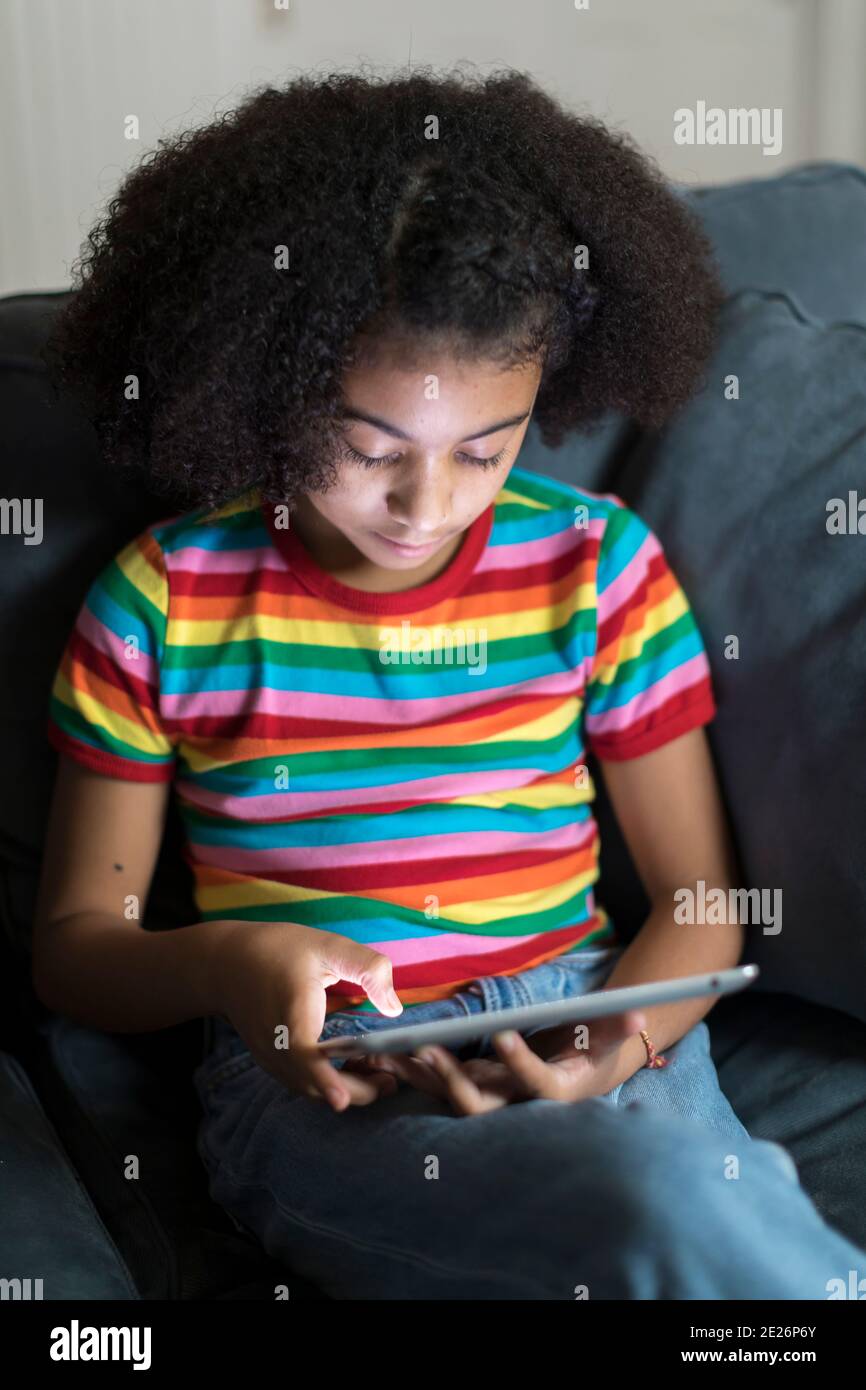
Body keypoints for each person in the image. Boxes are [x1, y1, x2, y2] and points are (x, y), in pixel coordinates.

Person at [33, 67, 866, 1299]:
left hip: (592, 1009)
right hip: (333, 1073)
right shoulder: (164, 601)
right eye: (368, 450)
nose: (425, 507)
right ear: (267, 381)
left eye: (485, 450)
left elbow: (699, 899)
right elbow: (75, 947)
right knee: (661, 1214)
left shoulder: (592, 568)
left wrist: (614, 1039)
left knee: (674, 1205)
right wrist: (234, 964)